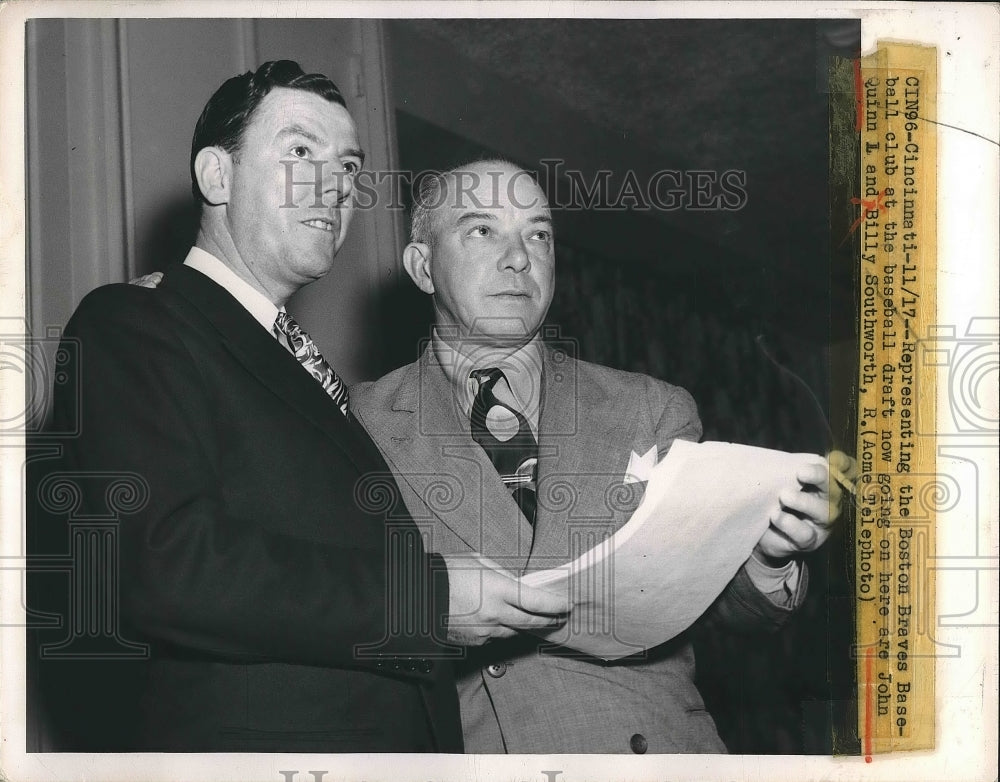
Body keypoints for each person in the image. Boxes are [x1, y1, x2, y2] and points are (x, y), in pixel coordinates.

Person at [28, 65, 568, 753]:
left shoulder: (310, 372)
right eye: (301, 152)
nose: (336, 186)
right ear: (217, 178)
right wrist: (425, 601)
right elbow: (161, 563)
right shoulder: (134, 321)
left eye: (348, 165)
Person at [350, 159, 858, 753]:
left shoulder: (649, 407)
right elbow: (337, 607)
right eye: (481, 230)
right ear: (422, 267)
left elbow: (722, 611)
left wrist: (767, 555)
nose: (519, 257)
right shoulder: (360, 422)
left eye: (538, 234)